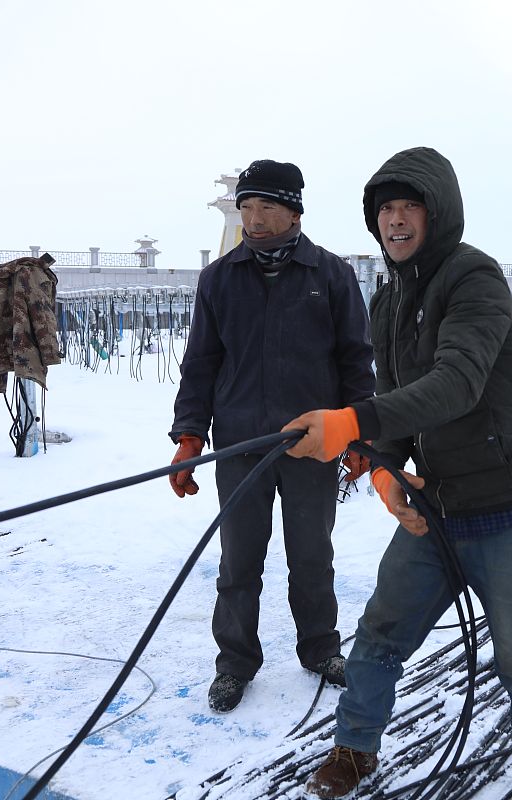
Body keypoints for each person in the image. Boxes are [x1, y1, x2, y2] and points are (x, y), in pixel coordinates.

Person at [283, 147, 512, 800]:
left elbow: (457, 385)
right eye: (387, 208)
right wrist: (383, 472)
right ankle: (353, 753)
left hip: (510, 507)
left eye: (411, 206)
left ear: (438, 214)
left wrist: (349, 422)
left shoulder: (475, 280)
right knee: (379, 634)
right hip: (434, 507)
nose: (398, 220)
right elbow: (399, 414)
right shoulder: (386, 302)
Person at [168, 159, 375, 713]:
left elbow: (356, 360)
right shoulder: (220, 278)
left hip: (313, 442)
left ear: (293, 212)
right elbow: (201, 363)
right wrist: (189, 435)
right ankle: (235, 662)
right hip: (240, 444)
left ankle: (320, 649)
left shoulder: (330, 275)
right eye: (246, 209)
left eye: (266, 208)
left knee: (312, 554)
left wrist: (356, 432)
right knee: (239, 561)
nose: (253, 220)